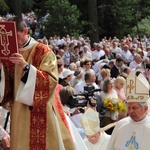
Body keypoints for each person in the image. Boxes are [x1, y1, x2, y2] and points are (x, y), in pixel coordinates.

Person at [0, 16, 76, 150]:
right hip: (18, 111)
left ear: (25, 31)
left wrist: (26, 67)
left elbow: (50, 80)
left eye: (16, 36)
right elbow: (7, 85)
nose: (13, 41)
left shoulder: (43, 51)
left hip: (40, 110)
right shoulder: (9, 53)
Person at [106, 72, 150, 150]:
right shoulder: (121, 125)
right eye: (128, 108)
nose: (130, 111)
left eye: (134, 108)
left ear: (145, 109)